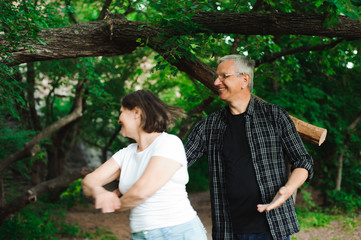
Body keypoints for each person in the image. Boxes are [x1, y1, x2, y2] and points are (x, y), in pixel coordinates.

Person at [184, 55, 313, 240]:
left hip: (273, 228)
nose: (215, 82)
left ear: (245, 79)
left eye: (224, 76)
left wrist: (288, 189)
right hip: (229, 231)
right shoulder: (208, 126)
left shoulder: (274, 115)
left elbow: (303, 161)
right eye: (216, 76)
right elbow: (177, 161)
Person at [82, 90, 207, 240]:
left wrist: (113, 204)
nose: (118, 119)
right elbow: (90, 180)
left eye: (121, 112)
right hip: (143, 235)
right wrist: (99, 193)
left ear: (136, 112)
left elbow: (141, 191)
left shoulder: (168, 143)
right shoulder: (126, 153)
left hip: (176, 232)